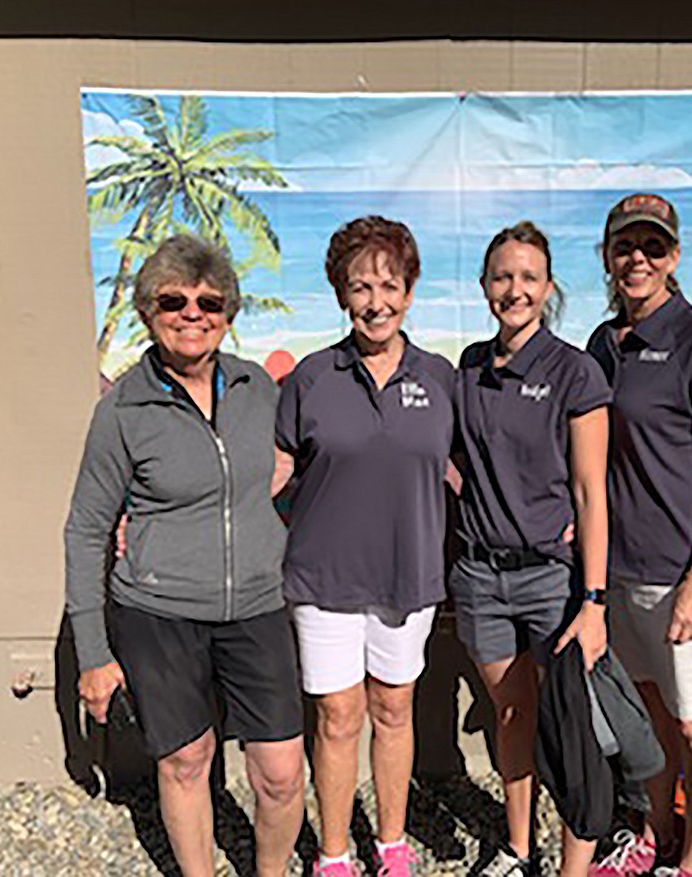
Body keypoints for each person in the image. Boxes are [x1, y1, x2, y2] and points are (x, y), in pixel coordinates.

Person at [64, 234, 305, 877]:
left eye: (210, 301)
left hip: (256, 605)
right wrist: (94, 654)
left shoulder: (260, 390)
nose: (192, 313)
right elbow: (87, 528)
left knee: (282, 772)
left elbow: (305, 465)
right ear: (148, 310)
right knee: (186, 760)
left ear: (228, 313)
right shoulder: (122, 411)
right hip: (159, 612)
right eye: (173, 300)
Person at [275, 216, 455, 877]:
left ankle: (393, 843)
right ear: (340, 295)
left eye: (388, 284)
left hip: (409, 573)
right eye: (359, 286)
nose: (375, 300)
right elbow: (273, 471)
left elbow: (473, 468)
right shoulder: (312, 377)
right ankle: (334, 851)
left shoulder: (440, 378)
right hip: (323, 578)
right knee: (339, 714)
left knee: (394, 705)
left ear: (410, 292)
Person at [585, 195, 692, 877]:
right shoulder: (602, 342)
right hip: (619, 575)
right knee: (645, 721)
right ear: (607, 257)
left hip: (681, 577)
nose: (638, 259)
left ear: (674, 257)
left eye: (653, 247)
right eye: (626, 247)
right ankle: (652, 835)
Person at [450, 221, 612, 877]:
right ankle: (519, 848)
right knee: (512, 714)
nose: (514, 289)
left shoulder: (575, 370)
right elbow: (453, 452)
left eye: (528, 277)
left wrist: (594, 599)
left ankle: (575, 862)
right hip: (480, 576)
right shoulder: (467, 366)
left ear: (547, 288)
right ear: (486, 285)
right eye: (502, 276)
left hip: (554, 579)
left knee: (570, 723)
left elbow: (590, 490)